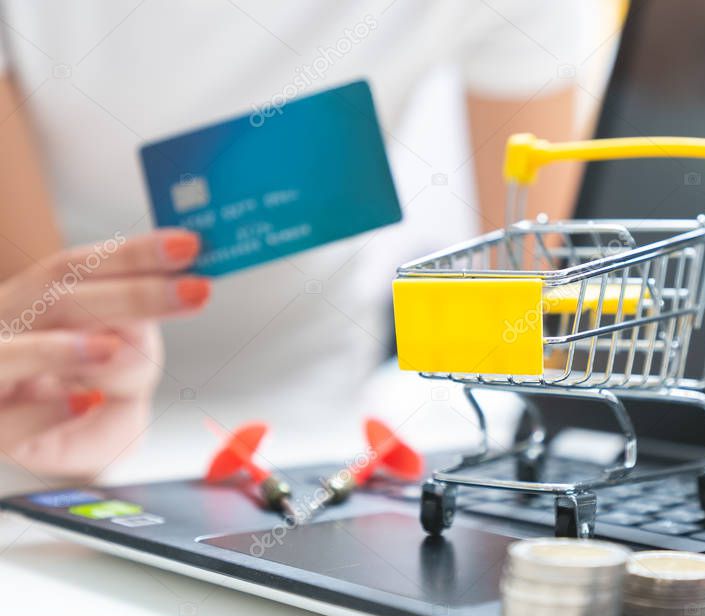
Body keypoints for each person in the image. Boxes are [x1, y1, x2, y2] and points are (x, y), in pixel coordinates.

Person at [0, 1, 621, 479]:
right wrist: (66, 391)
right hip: (39, 423)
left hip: (309, 428)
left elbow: (537, 308)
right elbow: (48, 329)